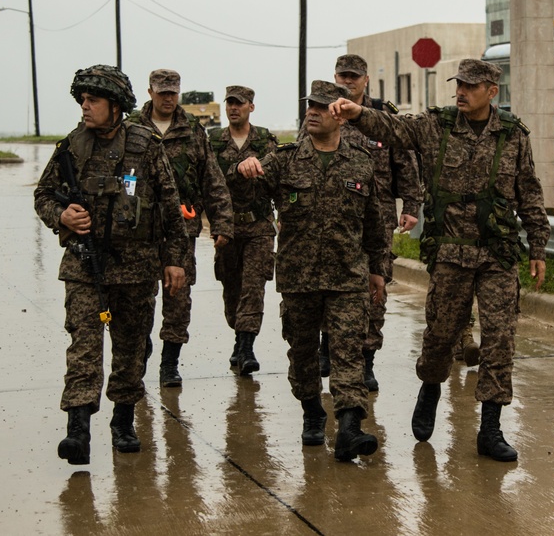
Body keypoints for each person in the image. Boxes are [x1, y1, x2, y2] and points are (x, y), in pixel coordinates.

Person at [330, 58, 550, 462]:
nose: (461, 91)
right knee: (440, 337)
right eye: (459, 84)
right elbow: (395, 129)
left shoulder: (513, 136)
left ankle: (490, 428)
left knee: (500, 339)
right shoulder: (438, 126)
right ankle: (430, 387)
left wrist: (537, 246)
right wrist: (359, 112)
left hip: (498, 254)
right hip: (450, 253)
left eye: (470, 85)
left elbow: (529, 192)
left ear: (491, 91)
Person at [34, 65, 189, 465]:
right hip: (85, 267)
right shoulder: (71, 146)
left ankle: (123, 421)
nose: (85, 107)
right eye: (82, 100)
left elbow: (171, 210)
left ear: (115, 106)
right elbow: (44, 195)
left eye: (93, 101)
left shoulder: (145, 145)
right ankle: (78, 430)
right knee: (83, 347)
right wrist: (62, 216)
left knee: (131, 350)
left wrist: (174, 262)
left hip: (137, 269)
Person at [239, 80, 389, 462]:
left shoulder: (360, 161)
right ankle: (311, 411)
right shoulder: (285, 159)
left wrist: (377, 269)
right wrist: (243, 169)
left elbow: (374, 222)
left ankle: (350, 427)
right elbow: (241, 193)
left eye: (322, 107)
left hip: (347, 277)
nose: (313, 112)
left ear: (339, 114)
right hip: (299, 277)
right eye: (310, 106)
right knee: (303, 353)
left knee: (348, 353)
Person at [306, 54, 422, 391]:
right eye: (343, 75)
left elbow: (405, 162)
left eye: (354, 76)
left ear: (366, 79)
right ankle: (329, 345)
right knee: (332, 282)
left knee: (377, 288)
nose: (348, 81)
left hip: (380, 216)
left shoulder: (382, 117)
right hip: (333, 216)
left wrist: (411, 205)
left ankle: (367, 359)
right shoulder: (322, 113)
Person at [127, 69, 234, 387]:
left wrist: (221, 222)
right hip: (140, 231)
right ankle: (139, 351)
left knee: (178, 298)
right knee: (138, 298)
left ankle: (169, 363)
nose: (168, 98)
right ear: (150, 93)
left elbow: (212, 179)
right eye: (162, 92)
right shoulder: (132, 128)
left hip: (182, 229)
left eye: (173, 92)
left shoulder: (192, 130)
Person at [208, 86, 279, 375]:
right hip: (227, 226)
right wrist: (236, 169)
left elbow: (277, 174)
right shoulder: (213, 141)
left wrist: (259, 167)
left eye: (240, 103)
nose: (234, 108)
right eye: (230, 104)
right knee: (232, 289)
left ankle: (247, 346)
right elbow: (208, 180)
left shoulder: (264, 140)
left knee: (253, 286)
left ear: (251, 107)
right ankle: (239, 337)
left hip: (259, 225)